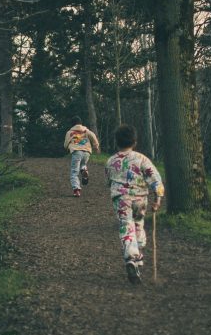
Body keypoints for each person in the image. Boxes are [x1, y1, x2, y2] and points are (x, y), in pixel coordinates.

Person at [105, 124, 164, 284]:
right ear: (134, 142)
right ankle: (137, 256)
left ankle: (132, 257)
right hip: (140, 199)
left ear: (116, 142)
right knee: (138, 224)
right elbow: (155, 178)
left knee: (126, 225)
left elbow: (109, 181)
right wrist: (158, 198)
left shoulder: (111, 161)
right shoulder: (141, 159)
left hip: (121, 199)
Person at [64, 118, 100, 196]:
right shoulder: (86, 130)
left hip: (77, 151)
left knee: (74, 171)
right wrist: (96, 146)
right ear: (81, 123)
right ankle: (84, 170)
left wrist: (67, 147)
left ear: (72, 124)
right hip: (87, 152)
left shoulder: (70, 132)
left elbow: (66, 143)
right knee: (83, 164)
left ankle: (76, 190)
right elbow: (93, 137)